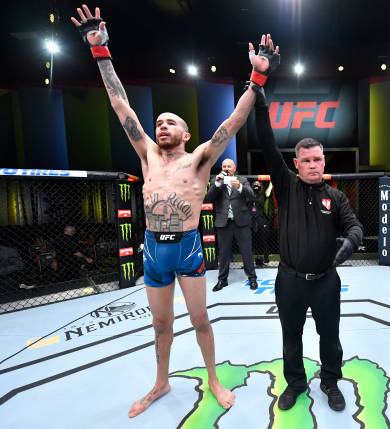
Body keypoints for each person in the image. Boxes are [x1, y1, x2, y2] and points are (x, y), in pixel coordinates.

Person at [71, 4, 279, 417]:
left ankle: (214, 379)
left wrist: (258, 76)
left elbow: (235, 121)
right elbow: (120, 105)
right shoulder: (147, 154)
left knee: (201, 321)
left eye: (170, 123)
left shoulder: (200, 159)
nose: (162, 126)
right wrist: (100, 51)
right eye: (159, 123)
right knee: (161, 324)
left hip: (186, 246)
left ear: (186, 133)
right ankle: (161, 382)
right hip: (153, 248)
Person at [252, 86, 363, 412]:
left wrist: (351, 241)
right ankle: (296, 383)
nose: (313, 165)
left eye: (318, 159)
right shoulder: (286, 186)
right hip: (290, 281)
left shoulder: (336, 197)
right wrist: (260, 102)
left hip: (326, 281)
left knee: (330, 338)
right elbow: (267, 143)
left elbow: (355, 226)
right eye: (307, 160)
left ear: (323, 160)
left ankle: (330, 381)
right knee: (291, 338)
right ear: (296, 163)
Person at [204, 159, 258, 291]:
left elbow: (252, 196)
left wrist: (239, 187)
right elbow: (208, 199)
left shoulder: (242, 180)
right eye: (224, 166)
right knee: (223, 253)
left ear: (234, 168)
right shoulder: (216, 180)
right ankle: (222, 280)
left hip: (241, 222)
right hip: (224, 223)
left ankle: (252, 278)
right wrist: (217, 183)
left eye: (229, 166)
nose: (226, 168)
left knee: (246, 251)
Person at [250, 180, 273, 266]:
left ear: (261, 186)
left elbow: (269, 189)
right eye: (255, 183)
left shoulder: (263, 195)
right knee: (249, 241)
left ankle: (266, 259)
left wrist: (272, 182)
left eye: (258, 184)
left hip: (261, 220)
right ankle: (249, 260)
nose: (256, 185)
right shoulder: (248, 195)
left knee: (264, 240)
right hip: (251, 220)